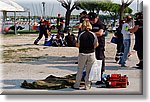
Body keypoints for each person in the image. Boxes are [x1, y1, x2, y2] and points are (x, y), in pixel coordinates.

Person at [73, 19, 98, 90]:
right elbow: (96, 44)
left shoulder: (81, 34)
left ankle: (77, 84)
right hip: (91, 53)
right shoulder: (93, 34)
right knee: (89, 70)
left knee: (80, 70)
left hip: (82, 53)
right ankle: (87, 85)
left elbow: (78, 45)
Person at [88, 12, 105, 85]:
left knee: (99, 58)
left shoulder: (100, 24)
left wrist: (90, 33)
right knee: (90, 59)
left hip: (100, 43)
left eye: (93, 19)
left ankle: (100, 76)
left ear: (97, 18)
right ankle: (91, 76)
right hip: (91, 43)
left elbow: (100, 33)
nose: (92, 21)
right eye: (91, 20)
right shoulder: (89, 23)